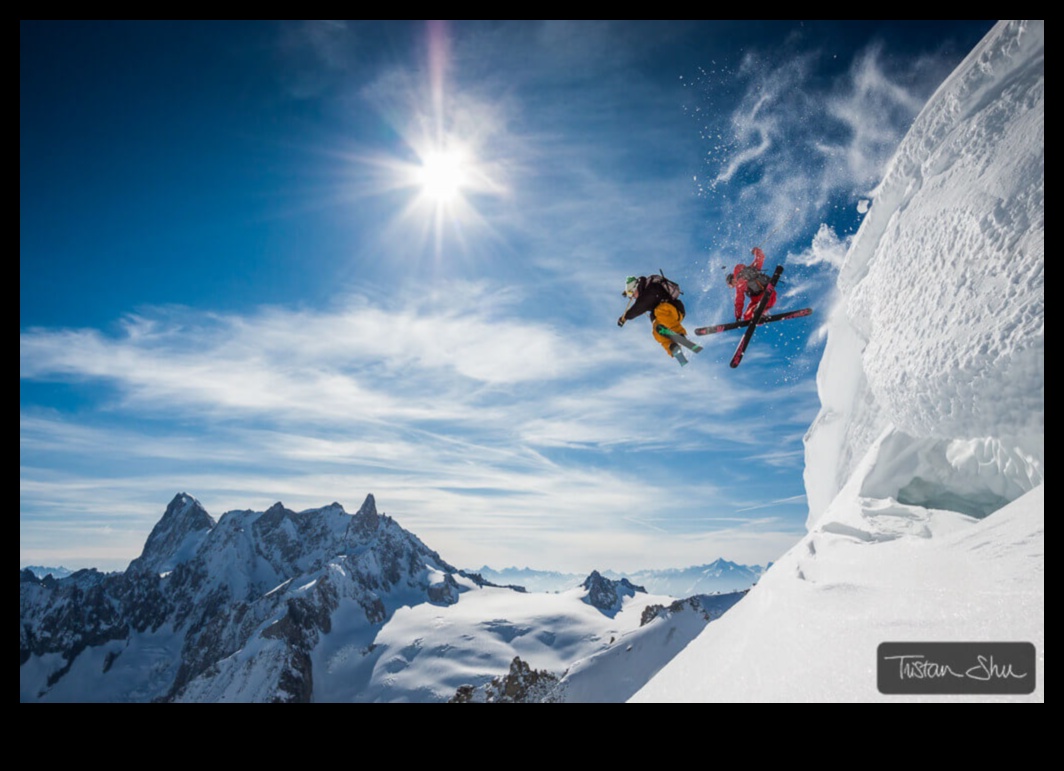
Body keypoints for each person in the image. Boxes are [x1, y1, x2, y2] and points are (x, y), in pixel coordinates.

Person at [617, 274, 687, 359]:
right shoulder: (646, 295)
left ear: (636, 287)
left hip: (674, 310)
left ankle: (679, 335)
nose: (633, 297)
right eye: (630, 296)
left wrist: (625, 317)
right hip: (669, 317)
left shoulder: (652, 289)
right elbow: (641, 304)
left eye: (632, 294)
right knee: (656, 329)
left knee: (659, 311)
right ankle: (672, 347)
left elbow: (640, 306)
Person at [727, 247, 776, 321]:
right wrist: (738, 317)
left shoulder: (741, 282)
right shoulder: (752, 269)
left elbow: (739, 301)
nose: (734, 286)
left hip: (766, 294)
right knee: (747, 317)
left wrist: (738, 316)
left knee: (754, 311)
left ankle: (758, 314)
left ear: (733, 279)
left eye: (732, 284)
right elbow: (760, 258)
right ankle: (758, 316)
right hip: (766, 299)